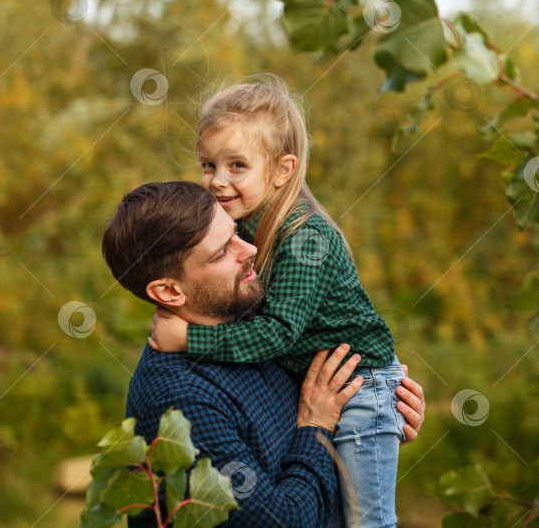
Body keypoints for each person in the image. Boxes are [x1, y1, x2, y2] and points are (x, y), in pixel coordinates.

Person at [149, 76, 407, 527]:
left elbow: (278, 333)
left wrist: (188, 337)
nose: (216, 181)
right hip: (338, 385)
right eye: (209, 165)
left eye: (237, 166)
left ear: (283, 170)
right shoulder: (247, 226)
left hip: (362, 387)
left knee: (369, 522)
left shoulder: (304, 238)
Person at [102, 181, 425, 526]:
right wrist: (318, 428)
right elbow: (281, 521)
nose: (250, 249)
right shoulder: (180, 401)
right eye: (222, 252)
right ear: (168, 291)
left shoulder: (259, 328)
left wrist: (371, 422)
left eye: (236, 232)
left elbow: (302, 447)